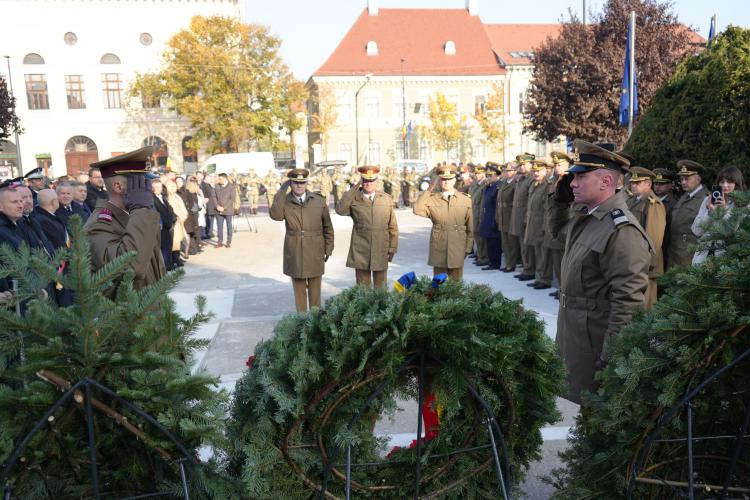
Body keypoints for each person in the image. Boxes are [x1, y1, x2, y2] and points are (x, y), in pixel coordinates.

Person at [549, 140, 652, 404]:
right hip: (576, 335)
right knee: (586, 412)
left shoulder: (621, 230)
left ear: (606, 181)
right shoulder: (588, 218)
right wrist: (558, 204)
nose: (572, 183)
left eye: (580, 177)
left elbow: (628, 302)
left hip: (595, 345)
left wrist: (612, 356)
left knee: (599, 414)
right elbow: (558, 235)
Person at [84, 147, 165, 294]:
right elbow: (131, 268)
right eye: (140, 183)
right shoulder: (99, 225)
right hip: (128, 315)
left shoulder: (133, 215)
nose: (148, 189)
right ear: (118, 186)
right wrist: (141, 210)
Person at [269, 169, 334, 312]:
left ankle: (315, 322)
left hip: (315, 250)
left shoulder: (318, 200)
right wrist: (281, 190)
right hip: (295, 250)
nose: (299, 186)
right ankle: (301, 322)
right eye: (295, 183)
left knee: (315, 293)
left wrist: (328, 249)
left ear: (307, 183)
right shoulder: (284, 201)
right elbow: (275, 215)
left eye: (302, 182)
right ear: (290, 184)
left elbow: (328, 227)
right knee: (299, 293)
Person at [336, 166, 398, 287]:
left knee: (381, 291)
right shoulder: (354, 199)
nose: (369, 183)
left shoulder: (386, 200)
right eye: (365, 181)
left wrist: (392, 248)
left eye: (372, 180)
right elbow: (340, 210)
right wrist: (354, 188)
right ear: (361, 181)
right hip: (361, 251)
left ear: (377, 181)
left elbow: (393, 227)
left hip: (381, 249)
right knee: (363, 293)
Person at [413, 165, 473, 280]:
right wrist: (429, 189)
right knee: (438, 283)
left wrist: (468, 248)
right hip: (439, 245)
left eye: (449, 179)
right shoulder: (432, 198)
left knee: (456, 283)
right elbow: (417, 209)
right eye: (443, 179)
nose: (446, 182)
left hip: (457, 244)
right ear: (439, 181)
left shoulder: (465, 199)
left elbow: (470, 227)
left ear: (454, 180)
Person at [626, 167, 667, 309]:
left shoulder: (653, 204)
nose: (633, 185)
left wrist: (650, 263)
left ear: (648, 184)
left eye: (638, 182)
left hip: (646, 263)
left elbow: (654, 238)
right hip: (633, 259)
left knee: (646, 304)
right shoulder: (632, 201)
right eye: (632, 182)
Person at [691, 165, 746, 264]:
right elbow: (696, 231)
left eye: (729, 182)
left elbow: (733, 233)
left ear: (737, 183)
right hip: (702, 259)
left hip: (727, 262)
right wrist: (710, 213)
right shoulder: (707, 200)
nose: (725, 185)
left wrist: (724, 210)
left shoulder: (744, 204)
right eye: (722, 182)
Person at [666, 160, 708, 269]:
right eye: (681, 179)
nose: (683, 182)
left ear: (698, 178)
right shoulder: (684, 196)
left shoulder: (705, 198)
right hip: (674, 253)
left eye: (687, 178)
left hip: (689, 257)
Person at [544, 152, 571, 299]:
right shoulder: (554, 181)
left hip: (565, 226)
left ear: (568, 165)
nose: (557, 167)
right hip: (554, 225)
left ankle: (566, 290)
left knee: (565, 263)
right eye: (555, 165)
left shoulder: (570, 181)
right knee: (557, 263)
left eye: (560, 164)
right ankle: (561, 287)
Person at [524, 160, 553, 289]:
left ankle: (545, 279)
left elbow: (547, 209)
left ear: (545, 170)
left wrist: (544, 227)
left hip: (541, 224)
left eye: (539, 171)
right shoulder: (534, 184)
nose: (536, 173)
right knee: (537, 252)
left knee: (543, 253)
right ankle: (539, 277)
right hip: (533, 223)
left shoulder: (547, 185)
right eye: (534, 171)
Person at [510, 154, 535, 280]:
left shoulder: (531, 179)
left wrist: (526, 218)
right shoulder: (522, 179)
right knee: (522, 245)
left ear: (531, 164)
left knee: (527, 246)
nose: (522, 167)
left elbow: (529, 201)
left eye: (524, 164)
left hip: (526, 217)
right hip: (518, 217)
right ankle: (526, 268)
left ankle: (530, 270)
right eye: (520, 164)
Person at [497, 162, 520, 273]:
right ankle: (507, 263)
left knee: (512, 243)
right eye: (506, 171)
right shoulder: (504, 183)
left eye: (511, 171)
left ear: (515, 172)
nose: (508, 172)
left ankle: (512, 264)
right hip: (502, 215)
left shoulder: (516, 183)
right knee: (504, 242)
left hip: (510, 215)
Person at [478, 163, 502, 270]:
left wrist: (495, 221)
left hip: (493, 218)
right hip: (487, 217)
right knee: (489, 242)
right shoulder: (489, 187)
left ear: (496, 176)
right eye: (487, 176)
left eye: (490, 176)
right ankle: (491, 262)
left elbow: (497, 206)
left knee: (495, 243)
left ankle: (495, 263)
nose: (488, 178)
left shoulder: (497, 187)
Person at [166, 180, 189, 266]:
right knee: (174, 241)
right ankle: (175, 259)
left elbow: (183, 207)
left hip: (180, 222)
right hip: (174, 222)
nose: (174, 188)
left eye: (174, 186)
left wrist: (184, 215)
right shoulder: (167, 198)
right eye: (171, 187)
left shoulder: (177, 196)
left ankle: (177, 257)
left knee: (179, 240)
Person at [469, 164, 488, 266]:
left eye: (478, 173)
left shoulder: (485, 184)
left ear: (483, 173)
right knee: (476, 235)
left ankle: (484, 257)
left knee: (481, 237)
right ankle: (479, 255)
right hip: (473, 212)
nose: (476, 175)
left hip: (480, 213)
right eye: (475, 173)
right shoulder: (475, 184)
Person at [213, 173, 236, 248]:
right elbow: (214, 197)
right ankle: (220, 242)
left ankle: (228, 241)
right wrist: (217, 206)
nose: (219, 180)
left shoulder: (232, 186)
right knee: (219, 226)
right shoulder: (216, 186)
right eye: (218, 179)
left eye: (220, 179)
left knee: (229, 226)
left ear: (225, 178)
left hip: (228, 210)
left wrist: (224, 207)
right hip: (218, 210)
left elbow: (232, 199)